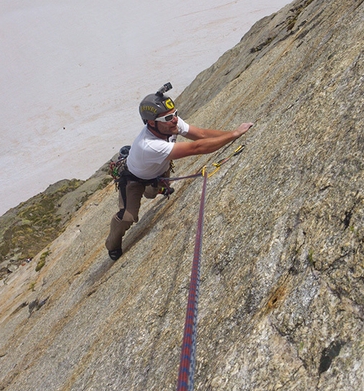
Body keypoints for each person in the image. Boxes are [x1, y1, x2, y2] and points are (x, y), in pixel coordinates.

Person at [105, 83, 253, 260]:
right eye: (168, 118)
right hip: (133, 179)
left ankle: (157, 188)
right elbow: (196, 148)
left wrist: (233, 132)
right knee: (127, 217)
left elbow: (201, 134)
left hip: (157, 170)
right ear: (151, 123)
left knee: (152, 193)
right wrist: (233, 135)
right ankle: (112, 244)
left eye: (174, 114)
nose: (175, 120)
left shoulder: (169, 123)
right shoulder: (149, 145)